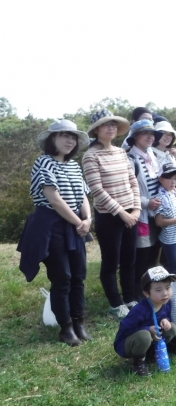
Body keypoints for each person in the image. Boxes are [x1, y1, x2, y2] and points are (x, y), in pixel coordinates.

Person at [18, 119, 92, 346]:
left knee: (79, 275)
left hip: (75, 225)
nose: (70, 141)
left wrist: (88, 218)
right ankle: (66, 327)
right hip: (51, 225)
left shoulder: (74, 165)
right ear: (52, 139)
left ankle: (79, 321)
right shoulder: (44, 162)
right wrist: (79, 221)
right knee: (62, 278)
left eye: (73, 137)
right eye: (64, 136)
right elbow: (54, 199)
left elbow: (83, 196)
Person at [81, 109, 140, 320]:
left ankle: (130, 298)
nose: (110, 128)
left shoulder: (121, 152)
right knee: (110, 262)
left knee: (129, 259)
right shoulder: (90, 155)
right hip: (109, 217)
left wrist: (136, 209)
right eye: (106, 125)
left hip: (131, 214)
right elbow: (97, 190)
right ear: (96, 129)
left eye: (113, 125)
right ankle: (116, 304)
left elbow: (132, 181)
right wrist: (123, 213)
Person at [114, 267, 176, 377]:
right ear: (146, 293)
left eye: (168, 288)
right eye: (158, 290)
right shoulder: (140, 310)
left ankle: (151, 353)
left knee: (172, 328)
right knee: (144, 336)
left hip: (150, 338)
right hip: (127, 343)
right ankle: (137, 363)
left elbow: (165, 315)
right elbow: (125, 329)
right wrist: (148, 329)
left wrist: (165, 320)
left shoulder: (165, 303)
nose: (165, 293)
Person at [125, 120, 165, 299]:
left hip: (156, 213)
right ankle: (137, 292)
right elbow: (127, 189)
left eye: (153, 134)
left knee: (154, 252)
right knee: (141, 254)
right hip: (141, 214)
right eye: (145, 133)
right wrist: (145, 202)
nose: (150, 137)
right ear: (135, 137)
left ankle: (151, 289)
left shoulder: (153, 156)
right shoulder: (130, 158)